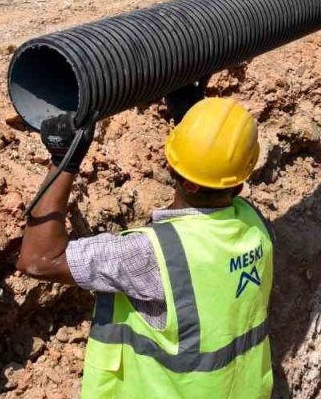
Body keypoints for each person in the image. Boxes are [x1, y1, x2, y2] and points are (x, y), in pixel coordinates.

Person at [17, 98, 274, 398]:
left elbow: (38, 259)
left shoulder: (154, 253)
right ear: (241, 179)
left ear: (174, 168)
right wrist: (188, 115)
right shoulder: (254, 224)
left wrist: (64, 160)